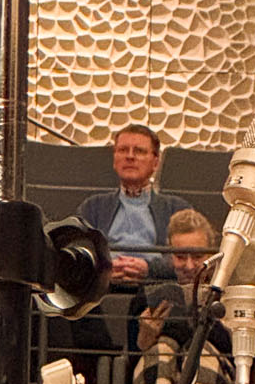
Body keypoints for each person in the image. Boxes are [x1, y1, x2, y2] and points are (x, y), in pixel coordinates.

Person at [118, 209, 235, 384]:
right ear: (170, 256)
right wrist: (147, 336)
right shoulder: (151, 290)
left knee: (201, 356)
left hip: (214, 361)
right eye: (181, 256)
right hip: (162, 363)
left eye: (198, 256)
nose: (189, 264)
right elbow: (133, 354)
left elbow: (229, 344)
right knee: (161, 351)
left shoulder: (228, 290)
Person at [75, 123, 191, 287]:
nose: (130, 156)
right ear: (114, 159)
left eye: (139, 151)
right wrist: (105, 268)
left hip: (157, 289)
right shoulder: (92, 207)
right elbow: (77, 254)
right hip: (101, 290)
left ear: (155, 163)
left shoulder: (177, 209)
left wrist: (149, 269)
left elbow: (190, 261)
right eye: (123, 150)